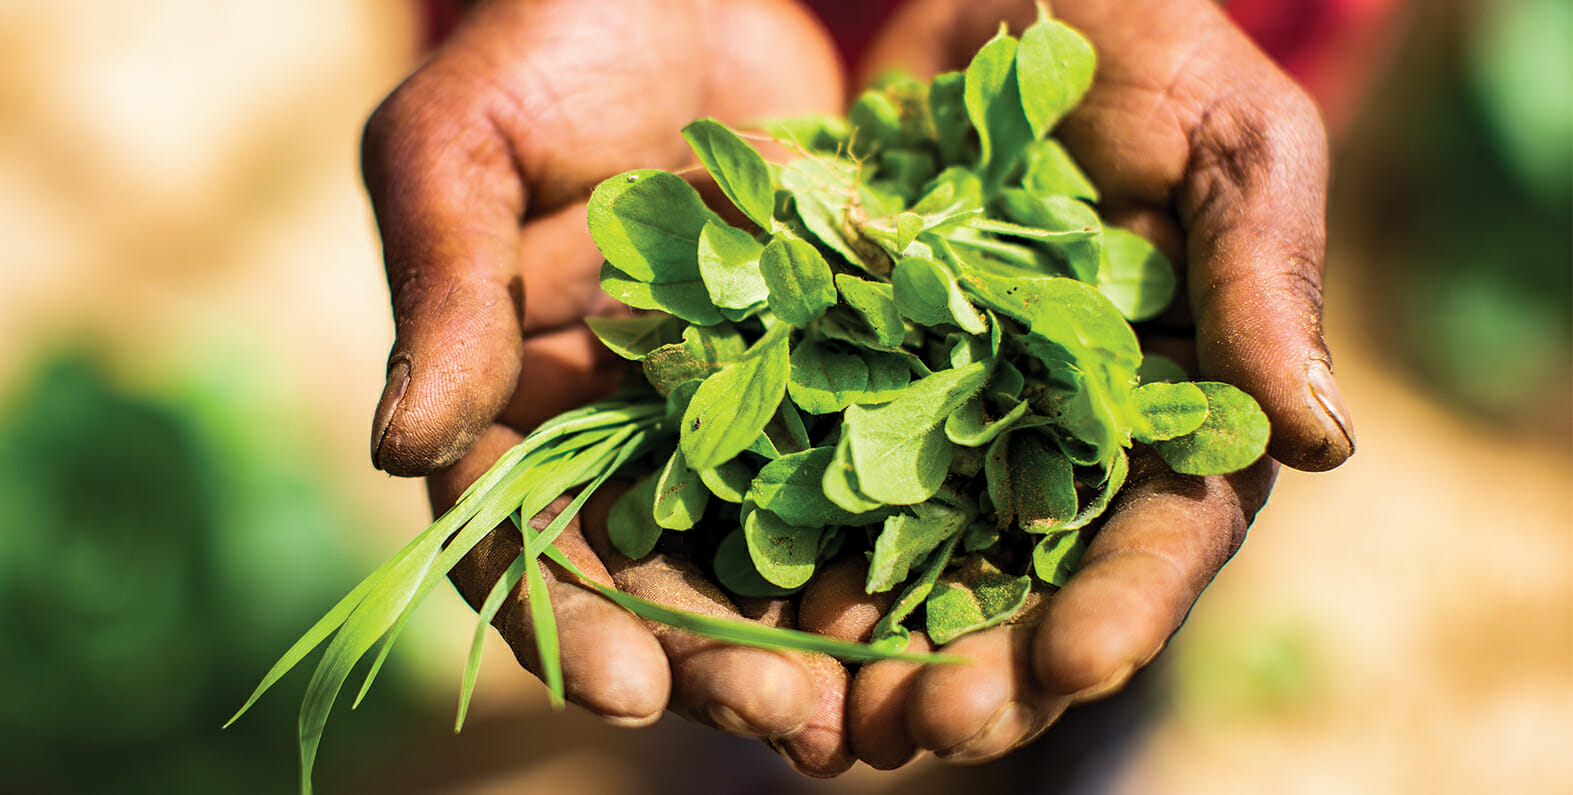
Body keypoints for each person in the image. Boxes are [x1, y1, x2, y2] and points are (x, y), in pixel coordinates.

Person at [360, 0, 1355, 777]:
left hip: (1182, 62)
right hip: (700, 65)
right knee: (741, 678)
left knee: (1089, 641)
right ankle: (739, 767)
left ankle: (1069, 760)